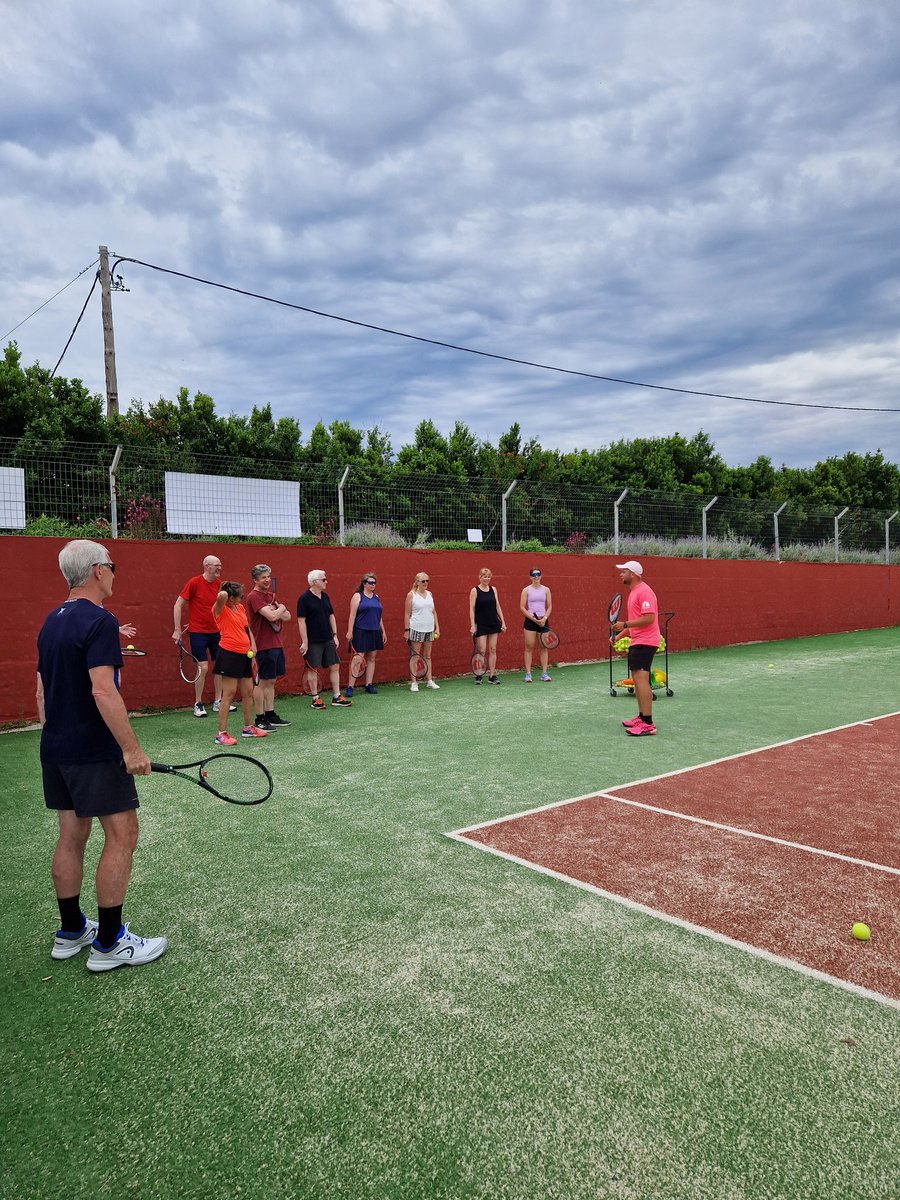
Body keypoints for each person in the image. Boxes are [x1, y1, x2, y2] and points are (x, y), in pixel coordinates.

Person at [36, 540, 167, 972]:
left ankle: (71, 931)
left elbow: (41, 693)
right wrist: (131, 749)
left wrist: (57, 735)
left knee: (71, 836)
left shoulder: (50, 622)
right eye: (111, 566)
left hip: (56, 749)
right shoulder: (100, 621)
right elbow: (102, 689)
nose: (114, 572)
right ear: (97, 570)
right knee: (123, 834)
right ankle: (110, 942)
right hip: (93, 752)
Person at [172, 555, 234, 718]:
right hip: (198, 632)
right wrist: (177, 629)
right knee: (204, 667)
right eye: (216, 565)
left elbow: (224, 608)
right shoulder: (194, 583)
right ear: (207, 566)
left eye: (220, 565)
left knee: (220, 667)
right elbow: (178, 604)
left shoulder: (220, 585)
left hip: (217, 632)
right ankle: (198, 703)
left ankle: (218, 702)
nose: (220, 568)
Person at [610, 560, 661, 737]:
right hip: (638, 641)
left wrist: (624, 623)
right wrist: (619, 636)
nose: (620, 574)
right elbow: (634, 625)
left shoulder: (644, 591)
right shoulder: (634, 592)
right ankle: (641, 716)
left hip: (646, 642)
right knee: (638, 680)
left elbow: (649, 619)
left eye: (623, 571)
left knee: (641, 681)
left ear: (633, 574)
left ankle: (648, 723)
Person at [212, 581, 267, 744]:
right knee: (228, 694)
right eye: (240, 596)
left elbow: (246, 628)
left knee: (248, 692)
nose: (242, 599)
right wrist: (225, 590)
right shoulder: (219, 609)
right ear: (230, 598)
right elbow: (221, 596)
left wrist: (253, 644)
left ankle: (248, 728)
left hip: (245, 654)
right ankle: (221, 734)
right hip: (228, 654)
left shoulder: (240, 608)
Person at [245, 563, 292, 732]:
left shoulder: (271, 596)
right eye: (263, 577)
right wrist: (281, 608)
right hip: (262, 645)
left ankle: (270, 714)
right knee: (261, 682)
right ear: (255, 579)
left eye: (268, 576)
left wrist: (279, 610)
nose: (267, 580)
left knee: (271, 681)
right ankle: (260, 718)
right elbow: (273, 616)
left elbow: (288, 617)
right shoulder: (253, 596)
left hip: (275, 644)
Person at [296, 570, 352, 710]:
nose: (326, 581)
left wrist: (335, 635)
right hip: (313, 641)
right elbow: (301, 621)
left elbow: (331, 616)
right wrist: (305, 642)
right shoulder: (304, 599)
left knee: (335, 666)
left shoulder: (325, 596)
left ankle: (337, 696)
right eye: (324, 579)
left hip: (328, 639)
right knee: (312, 669)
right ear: (315, 582)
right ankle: (315, 699)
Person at [345, 572, 387, 697]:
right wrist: (349, 631)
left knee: (371, 659)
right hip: (360, 631)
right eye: (370, 582)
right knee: (357, 659)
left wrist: (383, 631)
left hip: (375, 631)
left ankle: (368, 684)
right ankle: (350, 686)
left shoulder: (376, 597)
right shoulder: (357, 596)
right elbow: (352, 615)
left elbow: (379, 617)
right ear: (364, 584)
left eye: (374, 583)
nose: (373, 585)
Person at [469, 567, 506, 684]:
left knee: (493, 649)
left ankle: (492, 676)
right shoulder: (474, 591)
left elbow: (497, 606)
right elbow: (471, 609)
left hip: (493, 623)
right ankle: (479, 674)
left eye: (489, 576)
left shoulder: (493, 589)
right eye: (485, 576)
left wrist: (503, 622)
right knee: (482, 650)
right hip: (481, 623)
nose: (487, 579)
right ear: (480, 577)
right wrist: (472, 625)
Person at [404, 571, 441, 692]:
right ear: (417, 582)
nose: (426, 583)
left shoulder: (430, 594)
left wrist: (437, 627)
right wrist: (406, 630)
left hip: (429, 629)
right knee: (415, 656)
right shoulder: (411, 595)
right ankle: (414, 683)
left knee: (428, 655)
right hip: (416, 628)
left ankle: (429, 680)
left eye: (427, 581)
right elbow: (407, 613)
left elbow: (434, 611)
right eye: (423, 581)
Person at [519, 567, 553, 682]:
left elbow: (550, 607)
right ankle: (528, 674)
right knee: (529, 647)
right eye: (534, 575)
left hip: (543, 621)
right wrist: (533, 619)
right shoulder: (526, 590)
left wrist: (544, 618)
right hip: (530, 621)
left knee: (543, 647)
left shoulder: (546, 590)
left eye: (538, 574)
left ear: (541, 576)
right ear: (530, 577)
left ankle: (544, 673)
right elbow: (522, 607)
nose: (536, 576)